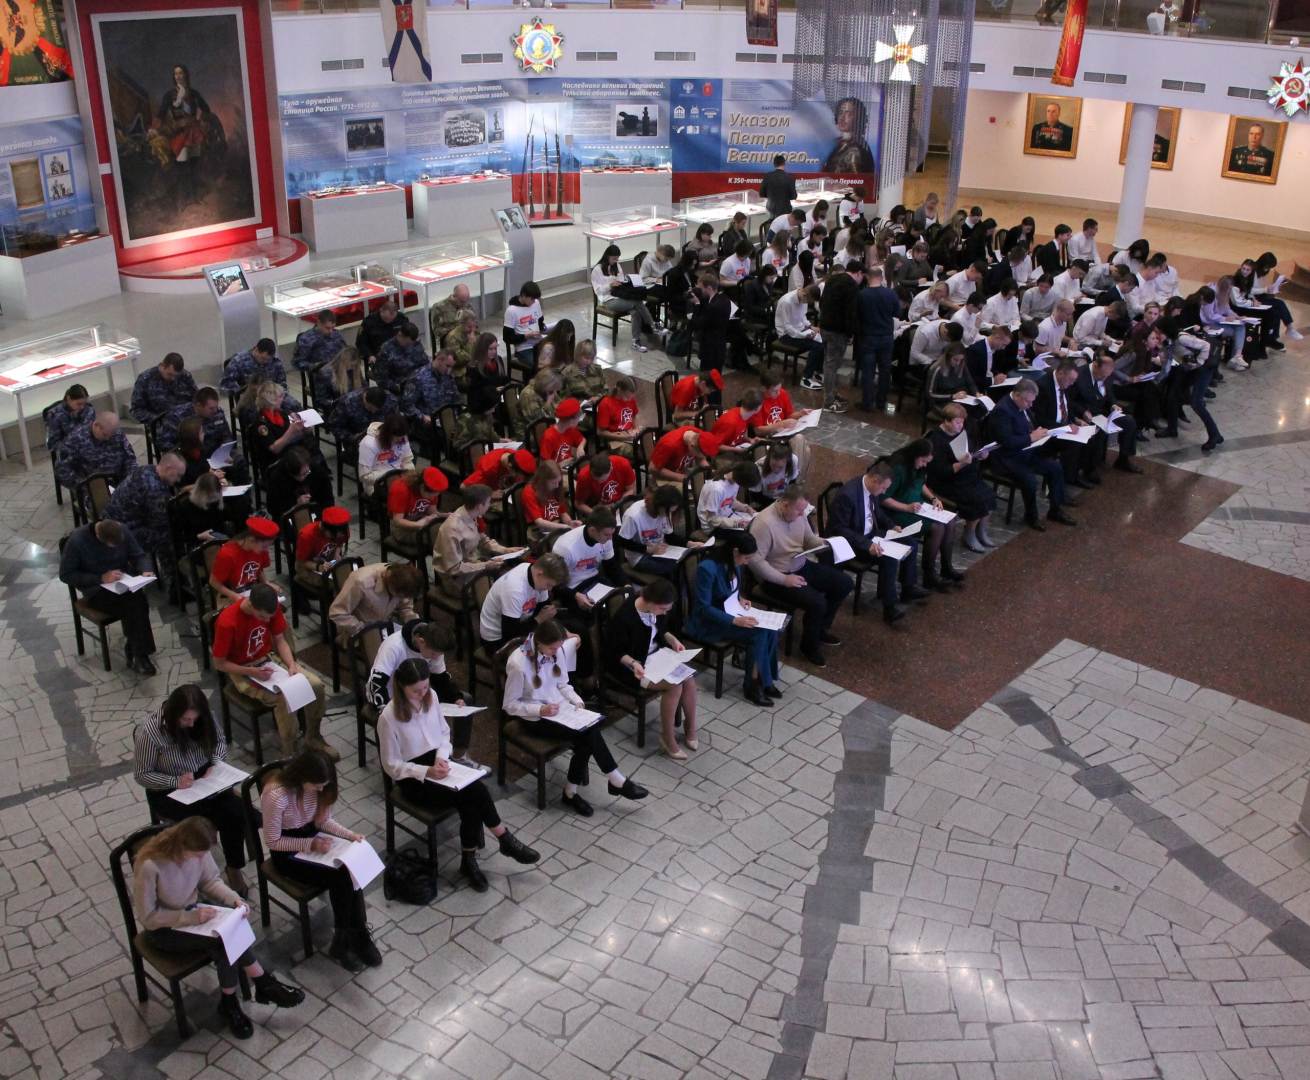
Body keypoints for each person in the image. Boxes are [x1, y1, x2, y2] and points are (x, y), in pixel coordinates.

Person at [132, 816, 303, 1040]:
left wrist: (234, 899)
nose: (202, 858)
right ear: (182, 846)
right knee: (224, 939)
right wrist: (188, 917)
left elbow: (210, 881)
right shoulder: (150, 865)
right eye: (198, 855)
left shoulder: (198, 851)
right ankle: (261, 982)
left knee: (230, 929)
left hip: (194, 911)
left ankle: (231, 1001)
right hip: (164, 929)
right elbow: (148, 917)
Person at [380, 659, 540, 891]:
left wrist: (441, 757)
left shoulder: (431, 697)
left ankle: (472, 859)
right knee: (473, 795)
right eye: (416, 690)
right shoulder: (388, 717)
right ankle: (498, 842)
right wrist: (426, 771)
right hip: (413, 778)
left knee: (472, 794)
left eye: (425, 687)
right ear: (401, 686)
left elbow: (444, 733)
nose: (422, 694)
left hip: (437, 763)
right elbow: (391, 765)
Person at [502, 620, 648, 816]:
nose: (556, 652)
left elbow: (563, 684)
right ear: (539, 642)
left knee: (587, 734)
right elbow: (510, 705)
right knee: (588, 733)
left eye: (558, 648)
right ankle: (610, 781)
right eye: (552, 648)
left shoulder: (557, 651)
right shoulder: (518, 664)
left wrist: (577, 701)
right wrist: (540, 710)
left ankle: (574, 792)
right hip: (534, 718)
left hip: (560, 710)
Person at [259, 750, 378, 971]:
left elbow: (323, 821)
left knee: (350, 866)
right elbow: (273, 841)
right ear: (301, 777)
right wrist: (309, 844)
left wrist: (350, 835)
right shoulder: (276, 795)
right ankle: (349, 937)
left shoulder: (322, 786)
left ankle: (353, 934)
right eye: (316, 786)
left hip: (312, 836)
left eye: (324, 785)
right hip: (287, 851)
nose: (321, 790)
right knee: (341, 876)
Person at [134, 684, 254, 897]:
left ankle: (234, 866)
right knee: (217, 817)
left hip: (204, 776)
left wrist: (216, 763)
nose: (191, 724)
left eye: (195, 719)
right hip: (168, 789)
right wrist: (175, 781)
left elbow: (218, 742)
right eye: (185, 720)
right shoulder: (151, 732)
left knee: (233, 813)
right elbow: (142, 775)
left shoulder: (203, 718)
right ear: (173, 714)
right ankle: (198, 874)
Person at [212, 584, 332, 759]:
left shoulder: (270, 608)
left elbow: (280, 640)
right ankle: (289, 752)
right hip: (243, 669)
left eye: (269, 617)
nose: (267, 621)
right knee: (285, 697)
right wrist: (252, 671)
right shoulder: (227, 621)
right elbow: (219, 663)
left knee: (316, 685)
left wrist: (291, 665)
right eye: (262, 617)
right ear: (250, 604)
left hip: (269, 659)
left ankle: (312, 736)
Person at [747, 485, 852, 668]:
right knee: (817, 603)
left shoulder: (799, 513)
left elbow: (809, 540)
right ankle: (808, 647)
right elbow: (755, 562)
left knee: (844, 583)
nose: (803, 514)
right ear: (785, 505)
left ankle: (820, 629)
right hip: (775, 577)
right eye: (799, 511)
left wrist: (827, 543)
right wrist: (784, 579)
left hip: (800, 564)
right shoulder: (763, 524)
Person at [825, 461, 929, 625]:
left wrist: (891, 525)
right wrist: (867, 545)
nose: (884, 492)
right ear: (875, 481)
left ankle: (908, 588)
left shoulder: (871, 488)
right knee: (888, 557)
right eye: (884, 488)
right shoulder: (848, 495)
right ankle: (889, 608)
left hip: (870, 533)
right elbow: (841, 529)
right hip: (853, 541)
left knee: (910, 542)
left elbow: (877, 512)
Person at [605, 580, 699, 760]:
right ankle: (667, 737)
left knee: (688, 678)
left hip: (655, 655)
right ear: (649, 602)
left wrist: (672, 640)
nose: (665, 612)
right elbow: (614, 652)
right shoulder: (625, 617)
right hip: (631, 665)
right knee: (674, 686)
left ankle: (690, 726)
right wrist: (634, 663)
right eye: (663, 609)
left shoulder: (656, 609)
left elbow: (661, 629)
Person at [683, 534, 780, 705]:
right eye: (746, 558)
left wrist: (739, 598)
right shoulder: (707, 568)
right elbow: (703, 608)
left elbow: (730, 589)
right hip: (707, 622)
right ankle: (752, 685)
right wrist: (735, 621)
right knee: (758, 632)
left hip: (728, 611)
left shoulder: (734, 561)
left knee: (770, 628)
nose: (746, 562)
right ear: (735, 551)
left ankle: (765, 680)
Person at [60, 519, 157, 675]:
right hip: (96, 591)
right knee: (136, 604)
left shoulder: (122, 529)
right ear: (98, 536)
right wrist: (101, 578)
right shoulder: (77, 541)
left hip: (123, 583)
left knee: (137, 599)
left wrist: (145, 570)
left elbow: (139, 555)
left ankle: (137, 651)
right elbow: (66, 575)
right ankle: (138, 654)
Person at [986, 378, 1077, 531]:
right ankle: (1031, 517)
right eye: (1028, 401)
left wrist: (1040, 433)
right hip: (1008, 458)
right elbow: (1007, 441)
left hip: (1027, 452)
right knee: (1030, 481)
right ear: (1017, 395)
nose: (1031, 405)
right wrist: (1031, 437)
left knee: (1055, 468)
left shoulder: (1023, 404)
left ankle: (1055, 510)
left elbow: (1030, 425)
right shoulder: (1002, 411)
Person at [882, 439, 962, 589]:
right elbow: (884, 498)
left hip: (916, 505)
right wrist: (907, 507)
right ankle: (929, 574)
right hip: (898, 510)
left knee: (949, 521)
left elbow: (921, 484)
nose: (925, 465)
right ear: (915, 455)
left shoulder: (918, 466)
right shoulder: (898, 468)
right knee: (937, 527)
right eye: (924, 461)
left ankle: (946, 566)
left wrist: (933, 498)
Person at [104, 453, 187, 592]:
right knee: (168, 537)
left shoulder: (147, 469)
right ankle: (176, 587)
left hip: (113, 523)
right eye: (178, 475)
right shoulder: (154, 488)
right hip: (122, 534)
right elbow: (160, 522)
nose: (178, 480)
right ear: (168, 468)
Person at [926, 404, 998, 553]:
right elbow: (938, 470)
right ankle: (969, 533)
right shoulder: (936, 440)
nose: (961, 425)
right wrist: (960, 464)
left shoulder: (961, 432)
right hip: (948, 481)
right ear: (946, 421)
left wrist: (980, 455)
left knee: (990, 495)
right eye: (958, 422)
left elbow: (970, 450)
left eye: (962, 422)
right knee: (976, 500)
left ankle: (980, 529)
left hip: (967, 476)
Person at [434, 484, 520, 597]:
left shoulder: (474, 514)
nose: (489, 505)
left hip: (471, 565)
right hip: (455, 579)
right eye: (488, 502)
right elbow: (453, 568)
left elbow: (482, 540)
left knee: (507, 583)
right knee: (500, 593)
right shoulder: (453, 529)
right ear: (480, 506)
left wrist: (504, 550)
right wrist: (485, 566)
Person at [1070, 354, 1142, 473]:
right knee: (1099, 432)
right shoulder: (1080, 375)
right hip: (1088, 413)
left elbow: (1110, 394)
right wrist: (1082, 412)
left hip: (1104, 411)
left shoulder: (1107, 374)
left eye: (1106, 377)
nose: (1104, 379)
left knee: (1129, 422)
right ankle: (1092, 468)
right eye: (1102, 376)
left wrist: (1114, 405)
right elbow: (1070, 400)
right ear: (1095, 366)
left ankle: (1123, 460)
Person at [329, 562, 424, 649]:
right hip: (361, 631)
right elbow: (337, 613)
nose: (402, 598)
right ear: (392, 584)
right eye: (400, 595)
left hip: (386, 625)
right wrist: (364, 629)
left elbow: (405, 607)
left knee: (415, 647)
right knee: (390, 654)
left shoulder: (406, 583)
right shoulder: (360, 582)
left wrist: (414, 624)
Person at [592, 245, 659, 351]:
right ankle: (653, 324)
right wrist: (610, 285)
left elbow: (621, 282)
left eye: (617, 259)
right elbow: (598, 291)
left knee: (635, 312)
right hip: (607, 300)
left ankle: (636, 340)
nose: (616, 261)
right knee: (637, 302)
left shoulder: (617, 266)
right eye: (614, 258)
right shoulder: (597, 270)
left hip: (620, 296)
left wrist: (625, 282)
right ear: (607, 256)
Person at [817, 261, 864, 412]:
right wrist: (850, 333)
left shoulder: (832, 279)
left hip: (824, 326)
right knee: (832, 365)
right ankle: (828, 401)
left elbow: (822, 301)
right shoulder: (851, 285)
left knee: (828, 362)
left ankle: (831, 392)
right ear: (859, 273)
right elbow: (850, 311)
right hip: (837, 331)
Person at [855, 266, 901, 412]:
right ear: (881, 278)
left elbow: (857, 315)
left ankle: (867, 403)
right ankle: (881, 401)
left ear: (868, 277)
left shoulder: (862, 295)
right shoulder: (891, 293)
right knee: (885, 370)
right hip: (886, 336)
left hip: (868, 336)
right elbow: (897, 313)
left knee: (868, 371)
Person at [752, 369, 813, 479]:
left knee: (800, 440)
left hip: (784, 433)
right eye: (775, 391)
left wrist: (800, 414)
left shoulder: (782, 393)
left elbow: (789, 415)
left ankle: (794, 478)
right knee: (804, 450)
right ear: (764, 389)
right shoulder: (757, 400)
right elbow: (758, 430)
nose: (778, 393)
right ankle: (792, 479)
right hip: (769, 436)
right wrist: (781, 424)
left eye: (779, 389)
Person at [55, 411, 137, 492]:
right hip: (90, 487)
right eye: (104, 434)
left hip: (119, 483)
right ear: (96, 425)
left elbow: (130, 459)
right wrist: (81, 486)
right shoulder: (75, 439)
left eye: (111, 436)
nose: (107, 439)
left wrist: (129, 481)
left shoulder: (118, 435)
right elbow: (62, 469)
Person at [209, 517, 281, 607]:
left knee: (271, 610)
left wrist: (266, 582)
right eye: (264, 546)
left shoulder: (260, 550)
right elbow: (213, 582)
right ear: (252, 540)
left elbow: (258, 569)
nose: (266, 550)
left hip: (251, 589)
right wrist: (232, 595)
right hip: (229, 591)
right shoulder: (227, 554)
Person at [401, 349, 459, 458]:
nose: (449, 370)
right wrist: (422, 417)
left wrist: (455, 414)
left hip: (445, 417)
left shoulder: (448, 376)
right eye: (447, 366)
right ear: (439, 359)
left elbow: (455, 399)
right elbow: (406, 405)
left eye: (451, 367)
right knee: (448, 439)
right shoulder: (419, 377)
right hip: (426, 420)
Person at [618, 485, 686, 577]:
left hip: (660, 551)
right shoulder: (634, 515)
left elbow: (670, 536)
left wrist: (690, 544)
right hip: (639, 556)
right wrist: (649, 549)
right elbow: (622, 541)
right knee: (677, 567)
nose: (669, 515)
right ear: (659, 505)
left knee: (685, 560)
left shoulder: (665, 511)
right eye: (669, 511)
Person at [689, 272, 747, 373]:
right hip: (720, 347)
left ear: (708, 288)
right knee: (717, 377)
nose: (700, 292)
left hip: (709, 349)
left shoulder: (712, 307)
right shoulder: (725, 299)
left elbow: (697, 324)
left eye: (701, 289)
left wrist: (697, 304)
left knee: (707, 378)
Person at [130, 353, 197, 429]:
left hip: (186, 424)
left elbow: (196, 400)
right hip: (161, 426)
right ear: (162, 365)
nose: (173, 379)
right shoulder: (145, 380)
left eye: (176, 376)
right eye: (170, 374)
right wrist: (158, 420)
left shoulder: (185, 376)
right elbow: (136, 409)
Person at [522, 460, 578, 547]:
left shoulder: (557, 489)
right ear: (543, 481)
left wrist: (570, 523)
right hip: (539, 531)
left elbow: (563, 514)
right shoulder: (529, 492)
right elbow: (539, 522)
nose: (557, 485)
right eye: (553, 482)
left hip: (557, 525)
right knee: (565, 545)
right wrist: (563, 527)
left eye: (558, 482)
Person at [294, 506, 351, 590]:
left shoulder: (342, 529)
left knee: (352, 579)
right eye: (333, 536)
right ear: (324, 529)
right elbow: (301, 562)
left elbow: (340, 543)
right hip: (308, 566)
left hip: (327, 561)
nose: (336, 538)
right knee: (338, 584)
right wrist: (319, 567)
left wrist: (336, 554)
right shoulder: (307, 536)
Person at [221, 339, 296, 403]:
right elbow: (226, 382)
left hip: (272, 396)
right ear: (256, 350)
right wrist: (240, 393)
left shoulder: (275, 360)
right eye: (263, 358)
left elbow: (282, 383)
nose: (266, 362)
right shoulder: (239, 361)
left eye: (268, 359)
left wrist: (280, 396)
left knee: (294, 405)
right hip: (250, 398)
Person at [698, 461, 759, 536]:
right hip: (713, 527)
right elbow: (712, 520)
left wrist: (745, 507)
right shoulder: (716, 489)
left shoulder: (734, 481)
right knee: (747, 537)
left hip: (727, 516)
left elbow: (730, 501)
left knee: (756, 527)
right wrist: (736, 523)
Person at [357, 414, 413, 495]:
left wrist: (409, 474)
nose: (399, 441)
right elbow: (365, 476)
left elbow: (407, 460)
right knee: (401, 495)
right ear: (387, 435)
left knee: (420, 491)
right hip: (377, 483)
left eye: (401, 438)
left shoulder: (402, 437)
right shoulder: (369, 444)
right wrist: (389, 476)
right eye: (396, 438)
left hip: (400, 477)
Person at [388, 466, 449, 539]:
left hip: (422, 518)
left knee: (447, 532)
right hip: (402, 528)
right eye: (429, 496)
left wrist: (446, 515)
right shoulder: (400, 489)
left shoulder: (432, 489)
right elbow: (397, 521)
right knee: (439, 538)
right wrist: (423, 524)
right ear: (422, 487)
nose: (432, 499)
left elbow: (432, 512)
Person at [326, 384, 396, 445]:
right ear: (365, 398)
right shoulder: (348, 402)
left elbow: (394, 421)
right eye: (370, 408)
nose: (373, 411)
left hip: (383, 437)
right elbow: (334, 425)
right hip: (357, 439)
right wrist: (352, 437)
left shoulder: (391, 400)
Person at [373, 322, 428, 397]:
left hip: (419, 382)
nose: (410, 346)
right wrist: (398, 388)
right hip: (399, 387)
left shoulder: (416, 343)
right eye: (407, 344)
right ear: (399, 335)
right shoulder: (386, 350)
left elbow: (425, 363)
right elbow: (381, 378)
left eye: (412, 343)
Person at [649, 427, 720, 485]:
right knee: (696, 492)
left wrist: (709, 472)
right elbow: (652, 468)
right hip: (661, 477)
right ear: (692, 446)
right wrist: (681, 477)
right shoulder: (669, 444)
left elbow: (701, 460)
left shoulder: (698, 436)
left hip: (683, 472)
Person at [822, 97, 875, 172]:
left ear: (859, 117)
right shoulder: (841, 146)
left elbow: (858, 178)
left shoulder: (855, 150)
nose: (842, 118)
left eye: (848, 114)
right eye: (840, 113)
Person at [503, 281, 546, 368]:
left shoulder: (536, 303)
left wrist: (544, 329)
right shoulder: (511, 311)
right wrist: (526, 336)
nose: (534, 302)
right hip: (524, 348)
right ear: (523, 296)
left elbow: (541, 322)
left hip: (538, 343)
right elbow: (507, 338)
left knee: (554, 358)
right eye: (532, 299)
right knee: (539, 365)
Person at [462, 447, 535, 496]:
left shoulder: (515, 456)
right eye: (518, 475)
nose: (519, 477)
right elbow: (464, 487)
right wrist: (491, 494)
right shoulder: (489, 468)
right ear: (510, 466)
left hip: (504, 487)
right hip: (489, 493)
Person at [46, 384, 95, 456]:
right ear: (69, 399)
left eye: (84, 403)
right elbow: (52, 444)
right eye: (79, 404)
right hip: (70, 453)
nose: (82, 407)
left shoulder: (89, 410)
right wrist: (72, 445)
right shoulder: (55, 415)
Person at [712, 390, 763, 457]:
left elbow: (739, 434)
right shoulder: (731, 422)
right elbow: (716, 446)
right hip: (724, 455)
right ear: (757, 408)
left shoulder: (744, 414)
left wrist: (750, 440)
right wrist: (736, 450)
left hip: (736, 447)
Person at [596, 377, 640, 455]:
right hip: (614, 438)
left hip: (629, 432)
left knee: (650, 441)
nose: (630, 399)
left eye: (631, 397)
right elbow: (600, 432)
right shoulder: (606, 403)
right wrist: (623, 437)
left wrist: (636, 428)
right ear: (619, 390)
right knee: (641, 452)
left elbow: (633, 417)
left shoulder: (631, 399)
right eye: (627, 396)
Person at [538, 398, 585, 464]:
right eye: (578, 419)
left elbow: (583, 439)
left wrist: (580, 447)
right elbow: (544, 464)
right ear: (571, 422)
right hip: (555, 466)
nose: (579, 421)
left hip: (568, 462)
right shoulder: (549, 437)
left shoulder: (570, 429)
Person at [355, 299, 402, 364]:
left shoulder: (401, 319)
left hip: (398, 352)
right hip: (377, 355)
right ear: (381, 311)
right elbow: (360, 342)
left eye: (391, 320)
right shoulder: (369, 322)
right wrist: (369, 355)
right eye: (386, 319)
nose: (388, 322)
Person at [443, 310, 481, 385]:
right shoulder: (452, 337)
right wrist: (470, 343)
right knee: (479, 382)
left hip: (475, 365)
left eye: (474, 326)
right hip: (460, 371)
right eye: (469, 327)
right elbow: (458, 360)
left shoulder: (474, 331)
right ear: (461, 324)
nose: (472, 330)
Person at [758, 153, 797, 218]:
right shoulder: (790, 177)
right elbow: (794, 196)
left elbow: (761, 193)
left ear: (774, 164)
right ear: (784, 164)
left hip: (771, 209)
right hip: (785, 210)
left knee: (771, 224)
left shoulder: (768, 176)